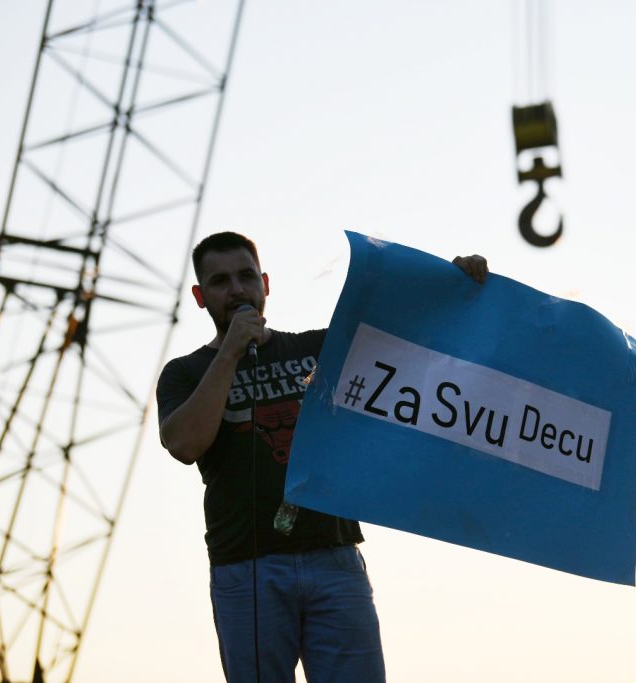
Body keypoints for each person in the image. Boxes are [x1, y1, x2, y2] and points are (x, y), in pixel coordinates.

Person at [156, 231, 488, 682]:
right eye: (220, 281)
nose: (236, 289)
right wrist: (232, 351)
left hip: (334, 557)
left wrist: (451, 285)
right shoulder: (185, 373)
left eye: (246, 276)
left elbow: (403, 340)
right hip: (247, 568)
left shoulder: (315, 349)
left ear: (266, 284)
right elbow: (184, 444)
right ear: (200, 296)